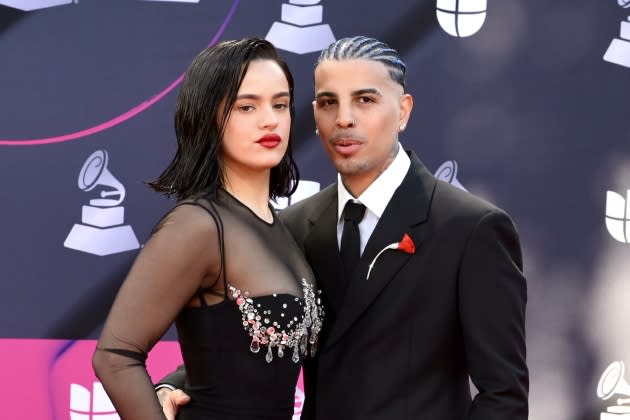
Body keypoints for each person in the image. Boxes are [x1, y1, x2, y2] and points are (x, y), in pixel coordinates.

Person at [157, 36, 529, 420]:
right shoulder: (293, 226)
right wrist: (173, 386)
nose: (344, 119)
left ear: (403, 110)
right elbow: (248, 343)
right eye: (328, 102)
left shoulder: (470, 229)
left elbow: (503, 395)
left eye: (365, 100)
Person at [91, 38, 324, 420]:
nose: (270, 120)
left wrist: (170, 384)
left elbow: (228, 355)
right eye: (246, 106)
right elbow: (115, 356)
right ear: (208, 116)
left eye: (280, 105)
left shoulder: (278, 226)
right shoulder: (198, 225)